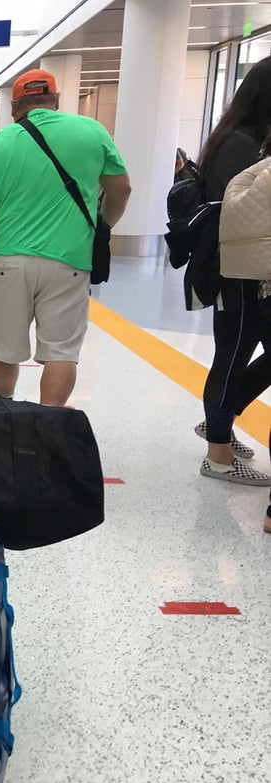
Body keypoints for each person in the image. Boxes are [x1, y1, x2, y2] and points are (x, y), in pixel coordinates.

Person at [0, 69, 132, 406]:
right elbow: (122, 187)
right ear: (56, 101)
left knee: (5, 350)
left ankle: (6, 411)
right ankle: (48, 427)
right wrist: (103, 223)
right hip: (70, 262)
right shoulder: (91, 131)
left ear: (14, 107)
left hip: (7, 262)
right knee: (61, 351)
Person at [186, 57, 271, 487]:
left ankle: (220, 418)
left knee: (237, 353)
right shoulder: (242, 144)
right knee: (233, 353)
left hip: (243, 266)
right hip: (238, 270)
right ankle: (217, 452)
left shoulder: (238, 138)